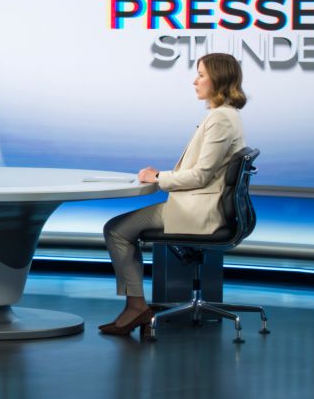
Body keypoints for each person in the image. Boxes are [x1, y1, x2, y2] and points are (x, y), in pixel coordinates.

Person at [99, 52, 249, 336]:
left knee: (116, 230)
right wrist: (162, 175)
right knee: (121, 228)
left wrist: (158, 177)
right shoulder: (229, 115)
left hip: (198, 210)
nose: (195, 81)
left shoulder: (220, 120)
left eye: (201, 75)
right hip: (203, 205)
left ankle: (136, 307)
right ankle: (136, 306)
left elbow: (201, 175)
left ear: (217, 79)